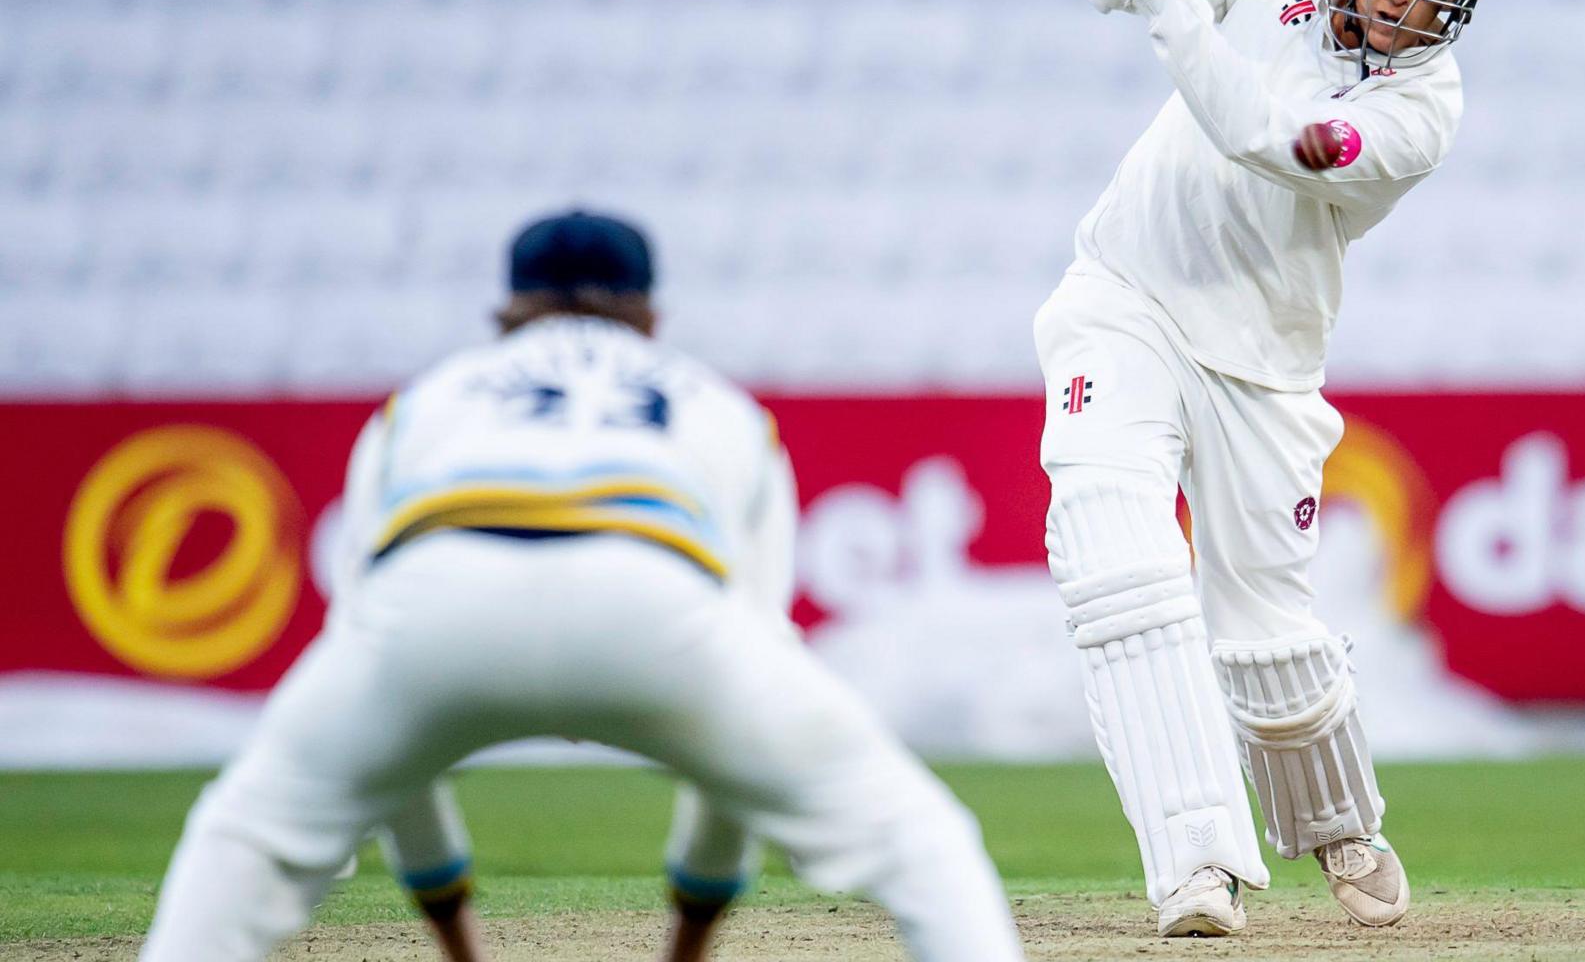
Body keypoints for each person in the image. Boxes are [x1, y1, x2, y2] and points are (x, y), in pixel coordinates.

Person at [139, 211, 1024, 962]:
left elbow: (383, 735)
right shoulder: (718, 403)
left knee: (238, 843)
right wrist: (688, 935)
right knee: (924, 845)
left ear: (505, 314)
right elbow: (747, 696)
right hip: (650, 601)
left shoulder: (425, 400)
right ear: (650, 317)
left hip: (440, 601)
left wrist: (456, 936)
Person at [1042, 0, 1486, 936]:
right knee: (1119, 563)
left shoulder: (1422, 111)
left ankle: (1337, 817)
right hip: (1125, 297)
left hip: (1264, 361)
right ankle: (1196, 864)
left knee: (1264, 635)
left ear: (1457, 1)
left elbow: (1257, 133)